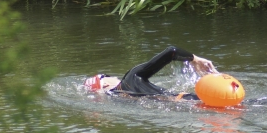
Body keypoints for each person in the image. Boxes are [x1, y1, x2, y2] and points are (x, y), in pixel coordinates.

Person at [84, 46, 219, 100]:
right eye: (106, 76)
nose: (112, 76)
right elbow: (172, 51)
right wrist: (194, 59)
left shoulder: (123, 100)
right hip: (191, 101)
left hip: (186, 108)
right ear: (106, 84)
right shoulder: (131, 78)